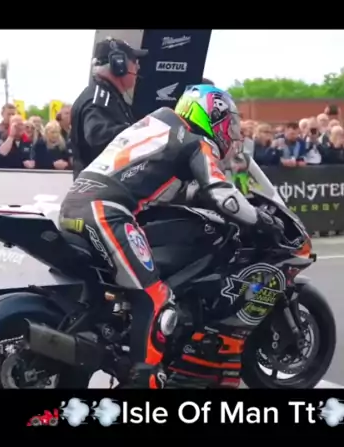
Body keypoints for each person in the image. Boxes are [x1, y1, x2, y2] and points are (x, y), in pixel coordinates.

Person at [59, 84, 284, 388]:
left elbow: (164, 186)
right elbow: (222, 194)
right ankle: (145, 380)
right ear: (211, 117)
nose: (231, 133)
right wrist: (261, 220)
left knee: (121, 292)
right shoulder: (195, 141)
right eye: (229, 124)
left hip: (75, 206)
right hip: (106, 212)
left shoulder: (159, 125)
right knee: (155, 296)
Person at [70, 37, 148, 179]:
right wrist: (143, 135)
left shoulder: (110, 96)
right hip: (100, 188)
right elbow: (97, 135)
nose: (138, 67)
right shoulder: (98, 99)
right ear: (119, 65)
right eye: (134, 62)